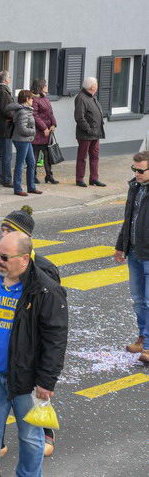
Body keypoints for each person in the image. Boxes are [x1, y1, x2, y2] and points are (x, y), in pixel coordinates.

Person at [0, 232, 68, 477]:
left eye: (4, 257)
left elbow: (55, 340)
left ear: (24, 259)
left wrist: (46, 380)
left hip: (26, 378)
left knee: (30, 437)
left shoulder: (46, 290)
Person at [114, 150, 149, 365]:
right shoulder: (135, 187)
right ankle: (143, 337)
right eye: (134, 169)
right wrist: (121, 246)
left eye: (141, 170)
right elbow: (129, 219)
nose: (136, 173)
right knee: (139, 300)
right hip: (135, 252)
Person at [7, 90, 42, 197]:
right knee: (20, 163)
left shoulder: (26, 110)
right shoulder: (23, 112)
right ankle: (17, 188)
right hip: (21, 140)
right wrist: (33, 132)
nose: (33, 100)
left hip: (26, 140)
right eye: (31, 98)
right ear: (27, 99)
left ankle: (31, 187)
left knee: (31, 162)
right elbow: (22, 129)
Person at [73, 76, 106, 188]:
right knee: (82, 157)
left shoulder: (92, 97)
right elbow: (79, 117)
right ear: (92, 87)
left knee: (95, 157)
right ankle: (79, 179)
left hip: (95, 133)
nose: (97, 86)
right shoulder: (81, 98)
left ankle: (94, 179)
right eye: (96, 84)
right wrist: (88, 129)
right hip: (86, 134)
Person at [30, 78, 59, 185]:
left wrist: (53, 124)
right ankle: (32, 176)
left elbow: (50, 113)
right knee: (35, 156)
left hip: (47, 132)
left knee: (48, 155)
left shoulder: (45, 98)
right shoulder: (34, 99)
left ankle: (49, 176)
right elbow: (35, 115)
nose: (47, 86)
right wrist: (44, 128)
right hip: (38, 133)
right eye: (45, 85)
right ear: (40, 87)